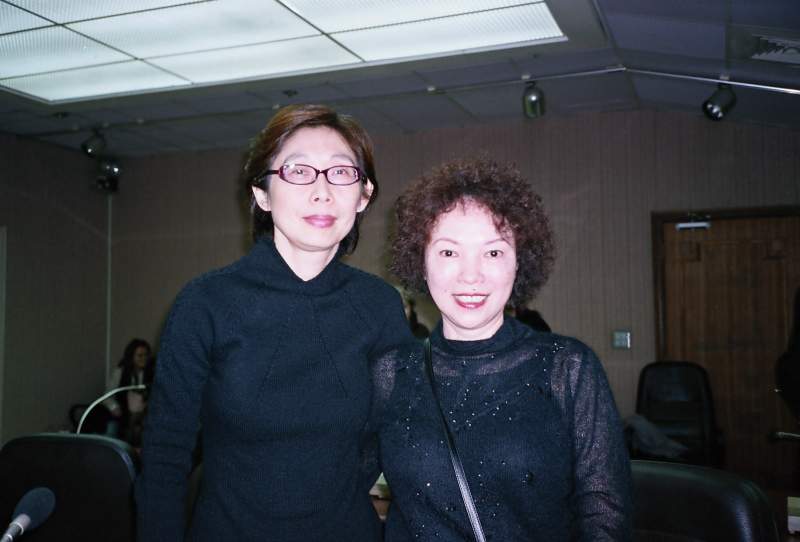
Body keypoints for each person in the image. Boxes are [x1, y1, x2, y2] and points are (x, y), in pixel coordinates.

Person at [136, 104, 414, 542]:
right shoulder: (206, 302)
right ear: (262, 195)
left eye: (341, 172)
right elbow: (165, 456)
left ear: (363, 195)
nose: (322, 191)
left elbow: (388, 438)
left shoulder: (379, 306)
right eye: (298, 171)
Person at [373, 157, 632, 541]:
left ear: (518, 263)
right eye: (448, 252)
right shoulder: (392, 372)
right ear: (421, 263)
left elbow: (604, 513)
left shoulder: (566, 367)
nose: (471, 275)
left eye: (493, 253)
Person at [104, 338, 154, 445]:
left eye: (146, 355)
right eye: (140, 355)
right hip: (122, 413)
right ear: (131, 356)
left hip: (142, 416)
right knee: (111, 432)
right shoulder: (120, 372)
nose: (144, 358)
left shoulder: (151, 372)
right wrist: (114, 408)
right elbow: (107, 396)